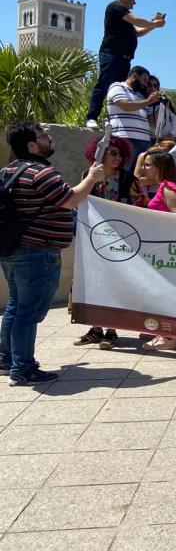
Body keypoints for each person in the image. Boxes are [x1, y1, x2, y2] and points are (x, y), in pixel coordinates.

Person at [1, 124, 105, 385]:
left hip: (13, 251)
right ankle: (23, 369)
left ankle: (6, 359)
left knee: (16, 306)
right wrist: (91, 177)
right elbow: (71, 199)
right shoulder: (41, 173)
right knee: (28, 311)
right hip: (37, 253)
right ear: (31, 146)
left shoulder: (7, 171)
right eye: (43, 136)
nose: (50, 139)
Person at [73, 135, 143, 351]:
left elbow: (140, 206)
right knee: (93, 282)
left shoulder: (128, 180)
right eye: (112, 153)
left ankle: (112, 331)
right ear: (99, 153)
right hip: (92, 239)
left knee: (114, 283)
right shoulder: (89, 176)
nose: (117, 157)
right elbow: (79, 200)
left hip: (120, 241)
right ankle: (95, 329)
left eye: (119, 153)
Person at [86, 0, 165, 129]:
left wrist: (153, 25)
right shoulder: (115, 7)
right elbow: (137, 20)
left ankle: (113, 119)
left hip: (125, 58)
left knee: (121, 90)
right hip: (111, 54)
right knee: (104, 84)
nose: (134, 3)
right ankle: (92, 117)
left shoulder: (125, 19)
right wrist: (154, 23)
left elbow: (138, 32)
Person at [136, 149, 176, 349]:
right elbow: (137, 174)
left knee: (165, 293)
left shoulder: (168, 188)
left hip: (166, 248)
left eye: (149, 164)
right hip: (158, 246)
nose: (144, 168)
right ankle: (159, 330)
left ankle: (169, 337)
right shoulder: (161, 186)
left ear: (160, 168)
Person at [106, 65, 161, 166]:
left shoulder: (140, 96)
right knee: (122, 174)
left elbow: (150, 120)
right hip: (126, 139)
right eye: (144, 80)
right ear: (134, 76)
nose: (145, 84)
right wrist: (148, 101)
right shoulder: (118, 87)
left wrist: (161, 105)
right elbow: (125, 105)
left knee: (134, 178)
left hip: (144, 141)